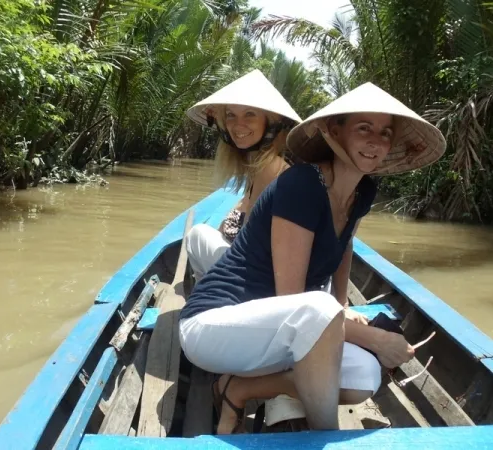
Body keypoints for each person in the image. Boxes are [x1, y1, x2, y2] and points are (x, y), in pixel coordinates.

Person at [178, 82, 447, 434]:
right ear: (335, 131)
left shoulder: (363, 189)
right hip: (213, 326)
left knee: (364, 376)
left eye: (385, 132)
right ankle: (324, 438)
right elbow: (294, 301)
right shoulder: (302, 184)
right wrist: (376, 338)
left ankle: (238, 388)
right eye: (363, 128)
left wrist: (342, 305)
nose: (375, 141)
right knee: (319, 310)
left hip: (277, 331)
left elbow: (344, 244)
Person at [184, 70, 302, 280]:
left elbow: (249, 245)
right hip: (264, 271)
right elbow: (246, 206)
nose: (238, 124)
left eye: (250, 114)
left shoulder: (272, 167)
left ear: (271, 122)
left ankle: (206, 292)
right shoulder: (262, 163)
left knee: (196, 235)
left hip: (258, 281)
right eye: (230, 115)